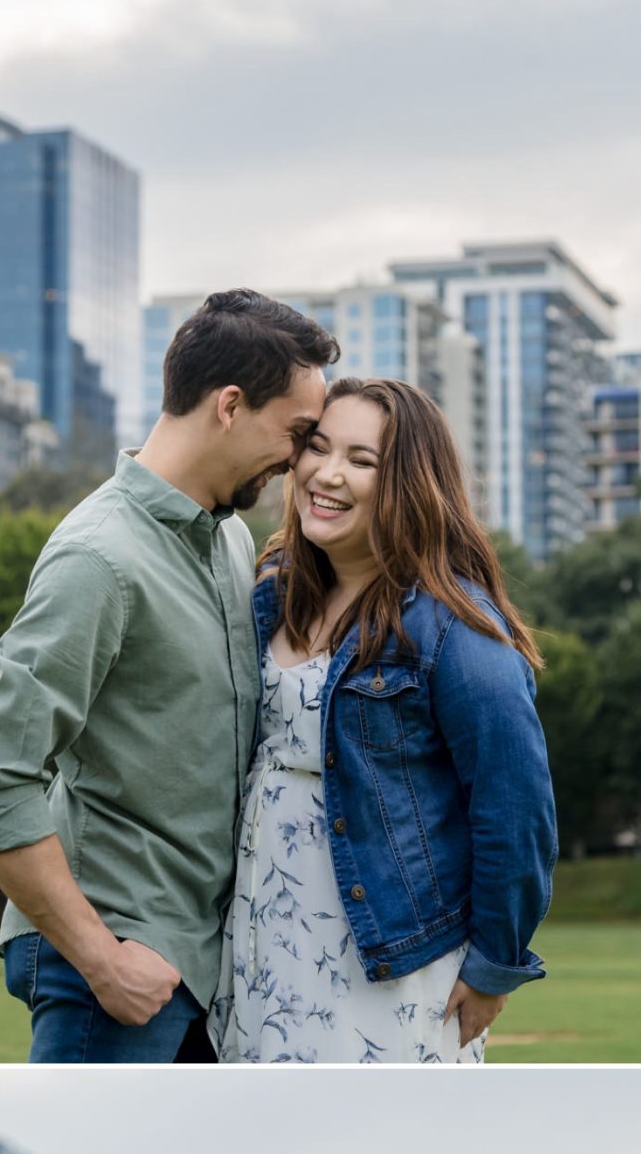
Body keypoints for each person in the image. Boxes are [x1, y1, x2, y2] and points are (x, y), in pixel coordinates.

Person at [0, 292, 339, 1064]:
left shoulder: (228, 539)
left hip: (200, 968)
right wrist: (102, 958)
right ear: (230, 405)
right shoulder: (99, 559)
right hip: (116, 970)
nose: (299, 461)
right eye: (296, 434)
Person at [210, 380, 557, 1064]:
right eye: (318, 447)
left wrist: (495, 965)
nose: (327, 474)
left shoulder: (454, 625)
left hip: (388, 950)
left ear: (408, 483)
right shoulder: (273, 591)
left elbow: (515, 805)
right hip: (257, 925)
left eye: (361, 460)